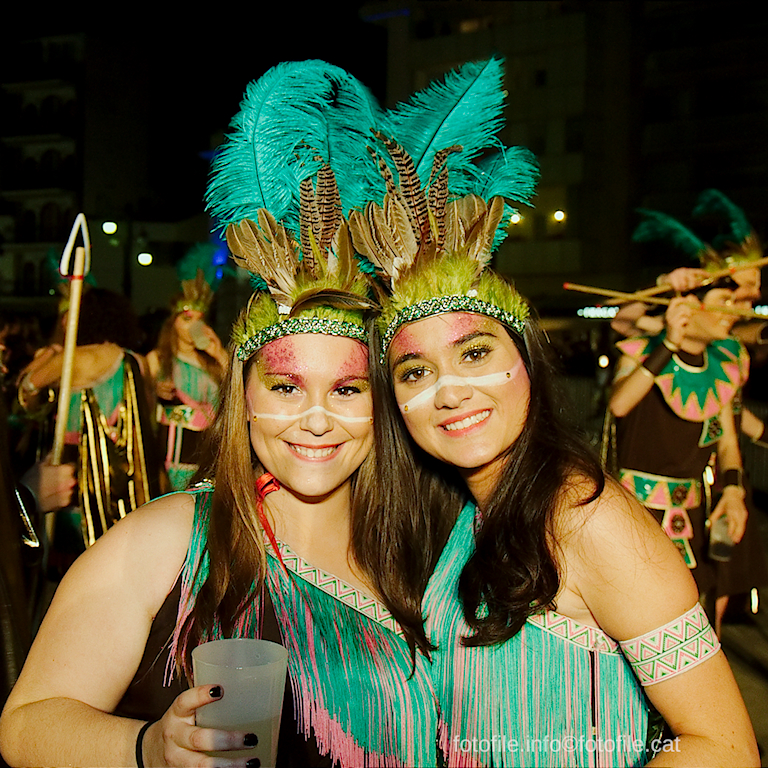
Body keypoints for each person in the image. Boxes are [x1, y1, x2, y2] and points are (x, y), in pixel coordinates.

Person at [0, 63, 446, 768]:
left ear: (381, 404)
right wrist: (149, 746)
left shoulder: (429, 540)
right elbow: (27, 726)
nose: (316, 419)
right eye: (286, 387)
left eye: (348, 390)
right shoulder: (165, 539)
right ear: (241, 397)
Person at [345, 68, 759, 765]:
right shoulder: (455, 514)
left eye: (475, 353)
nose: (449, 391)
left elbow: (721, 745)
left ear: (528, 365)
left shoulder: (593, 523)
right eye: (415, 371)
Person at [15, 288, 162, 553]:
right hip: (122, 481)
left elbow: (25, 392)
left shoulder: (73, 359)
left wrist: (47, 356)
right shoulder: (137, 362)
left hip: (75, 477)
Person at [147, 251, 227, 492]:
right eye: (187, 318)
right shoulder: (158, 359)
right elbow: (140, 403)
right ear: (174, 323)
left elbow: (237, 393)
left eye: (198, 319)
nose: (194, 326)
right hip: (171, 455)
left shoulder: (212, 360)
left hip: (209, 454)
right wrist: (155, 389)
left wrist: (219, 353)